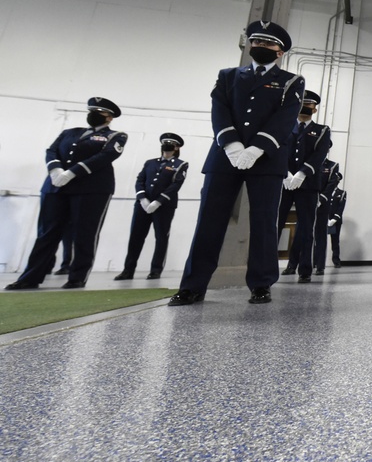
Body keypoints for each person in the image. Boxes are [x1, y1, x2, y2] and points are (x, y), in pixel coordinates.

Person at [168, 20, 305, 306]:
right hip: (224, 157)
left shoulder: (291, 81)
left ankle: (261, 283)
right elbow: (220, 110)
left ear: (280, 52)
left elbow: (285, 118)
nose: (260, 47)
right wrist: (231, 144)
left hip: (266, 159)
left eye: (267, 44)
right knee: (209, 221)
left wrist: (257, 148)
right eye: (256, 41)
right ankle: (193, 285)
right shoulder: (228, 76)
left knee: (264, 222)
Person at [6, 97, 128, 290]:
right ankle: (30, 277)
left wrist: (73, 172)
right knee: (46, 233)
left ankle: (77, 277)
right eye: (91, 111)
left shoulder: (116, 136)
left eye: (99, 112)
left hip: (91, 190)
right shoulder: (69, 133)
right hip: (56, 187)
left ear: (109, 117)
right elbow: (51, 151)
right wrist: (55, 171)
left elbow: (106, 156)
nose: (93, 115)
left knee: (84, 233)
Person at [114, 133, 189, 280]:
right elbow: (140, 180)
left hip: (164, 206)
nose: (167, 146)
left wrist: (159, 201)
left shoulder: (180, 164)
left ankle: (156, 270)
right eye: (165, 143)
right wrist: (142, 198)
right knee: (136, 236)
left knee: (161, 237)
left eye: (171, 144)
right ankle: (128, 270)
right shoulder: (150, 163)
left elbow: (176, 184)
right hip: (143, 204)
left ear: (177, 147)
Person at [277, 90, 332, 283]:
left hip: (308, 184)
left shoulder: (322, 130)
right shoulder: (284, 126)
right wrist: (286, 173)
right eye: (303, 102)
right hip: (283, 183)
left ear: (315, 109)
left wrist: (302, 173)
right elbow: (278, 150)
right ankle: (267, 268)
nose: (305, 107)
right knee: (275, 225)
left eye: (310, 104)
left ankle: (305, 270)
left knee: (307, 228)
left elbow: (319, 154)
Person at [313, 159, 341, 274]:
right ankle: (298, 264)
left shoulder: (332, 166)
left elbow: (340, 207)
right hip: (309, 202)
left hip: (325, 209)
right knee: (304, 235)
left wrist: (334, 219)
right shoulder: (312, 163)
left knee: (325, 237)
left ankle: (323, 264)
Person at [326, 171, 347, 269]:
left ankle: (336, 260)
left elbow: (341, 207)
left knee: (335, 241)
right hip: (324, 219)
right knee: (319, 240)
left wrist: (334, 219)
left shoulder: (341, 193)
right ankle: (317, 261)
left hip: (335, 221)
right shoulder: (325, 192)